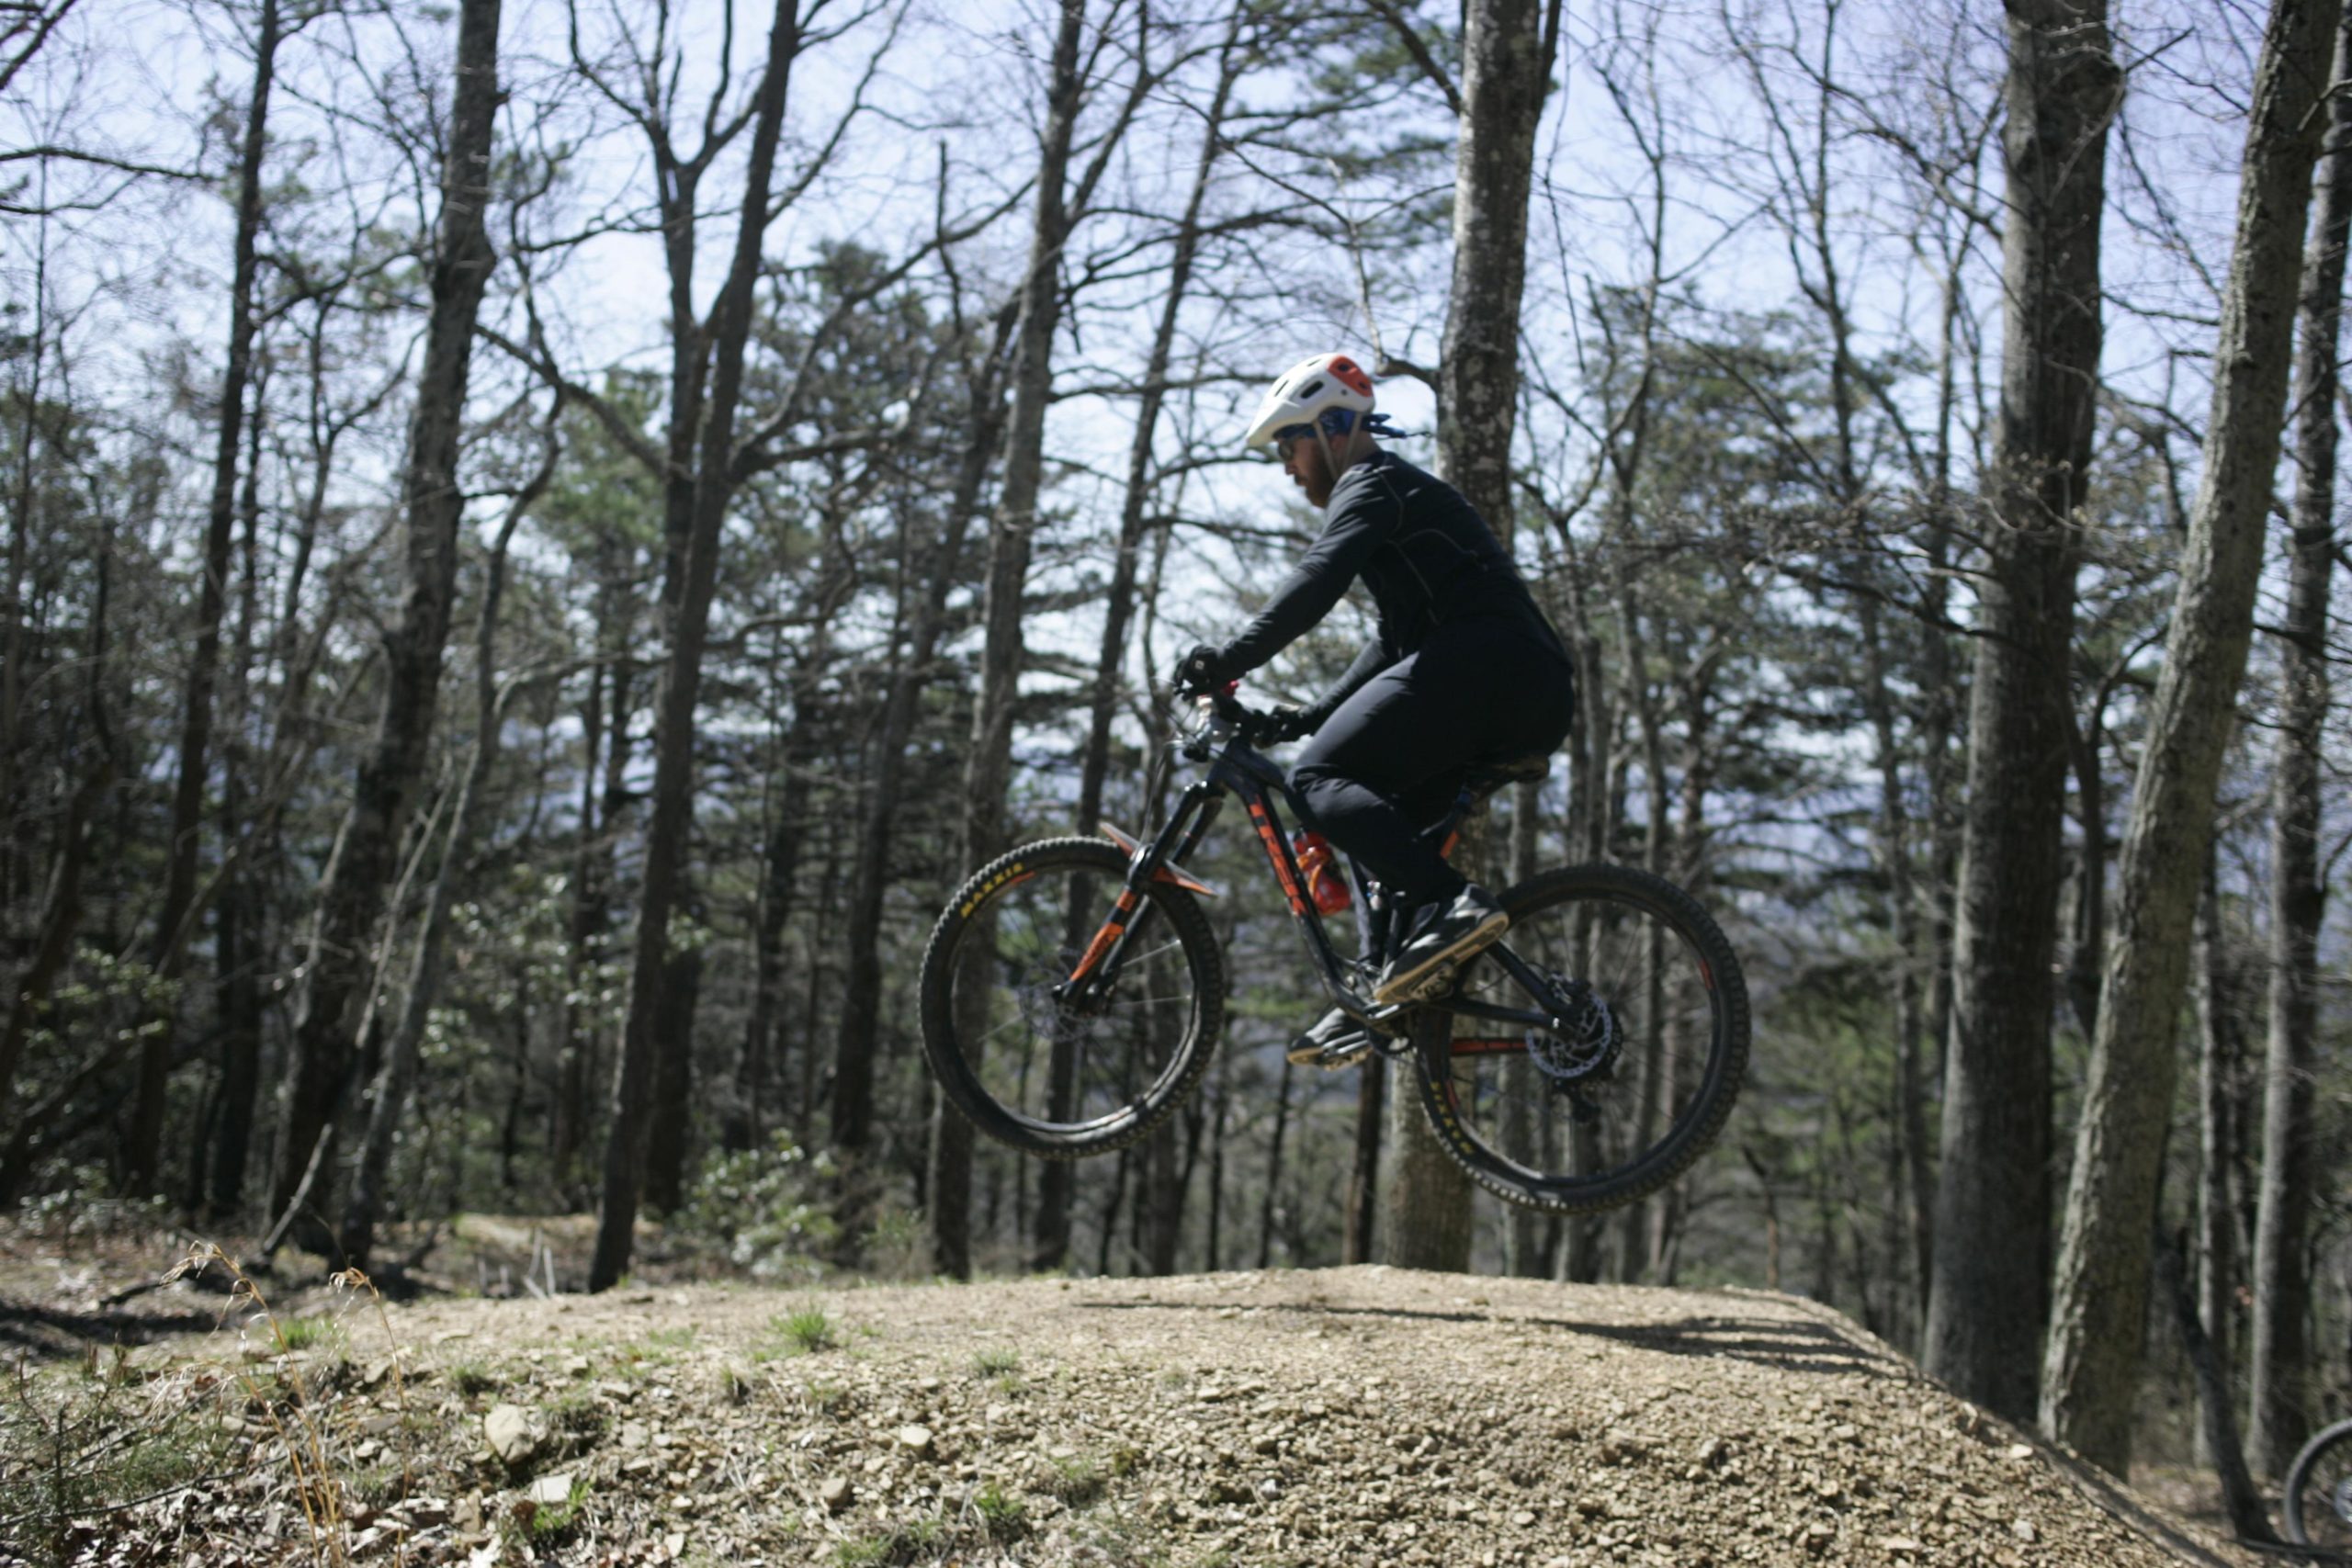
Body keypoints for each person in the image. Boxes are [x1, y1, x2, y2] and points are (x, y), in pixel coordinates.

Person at [1175, 352, 1577, 1068]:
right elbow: (1393, 642)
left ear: (1330, 429)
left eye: (1288, 445)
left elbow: (1317, 580)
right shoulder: (1391, 500)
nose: (1287, 467)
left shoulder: (1373, 482)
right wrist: (1301, 716)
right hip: (1513, 681)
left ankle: (1454, 906)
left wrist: (1226, 660)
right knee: (1366, 811)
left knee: (1316, 778)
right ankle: (1375, 992)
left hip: (1497, 667)